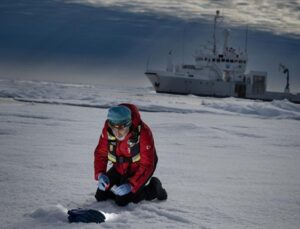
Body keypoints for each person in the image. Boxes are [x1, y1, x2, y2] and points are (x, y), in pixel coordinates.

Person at [94, 103, 167, 206]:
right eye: (114, 129)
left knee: (123, 200)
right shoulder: (107, 130)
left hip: (141, 167)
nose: (118, 133)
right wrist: (100, 174)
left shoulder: (144, 133)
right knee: (100, 196)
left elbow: (147, 165)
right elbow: (101, 153)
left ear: (129, 123)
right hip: (120, 167)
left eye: (121, 128)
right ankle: (122, 186)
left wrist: (131, 184)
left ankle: (154, 188)